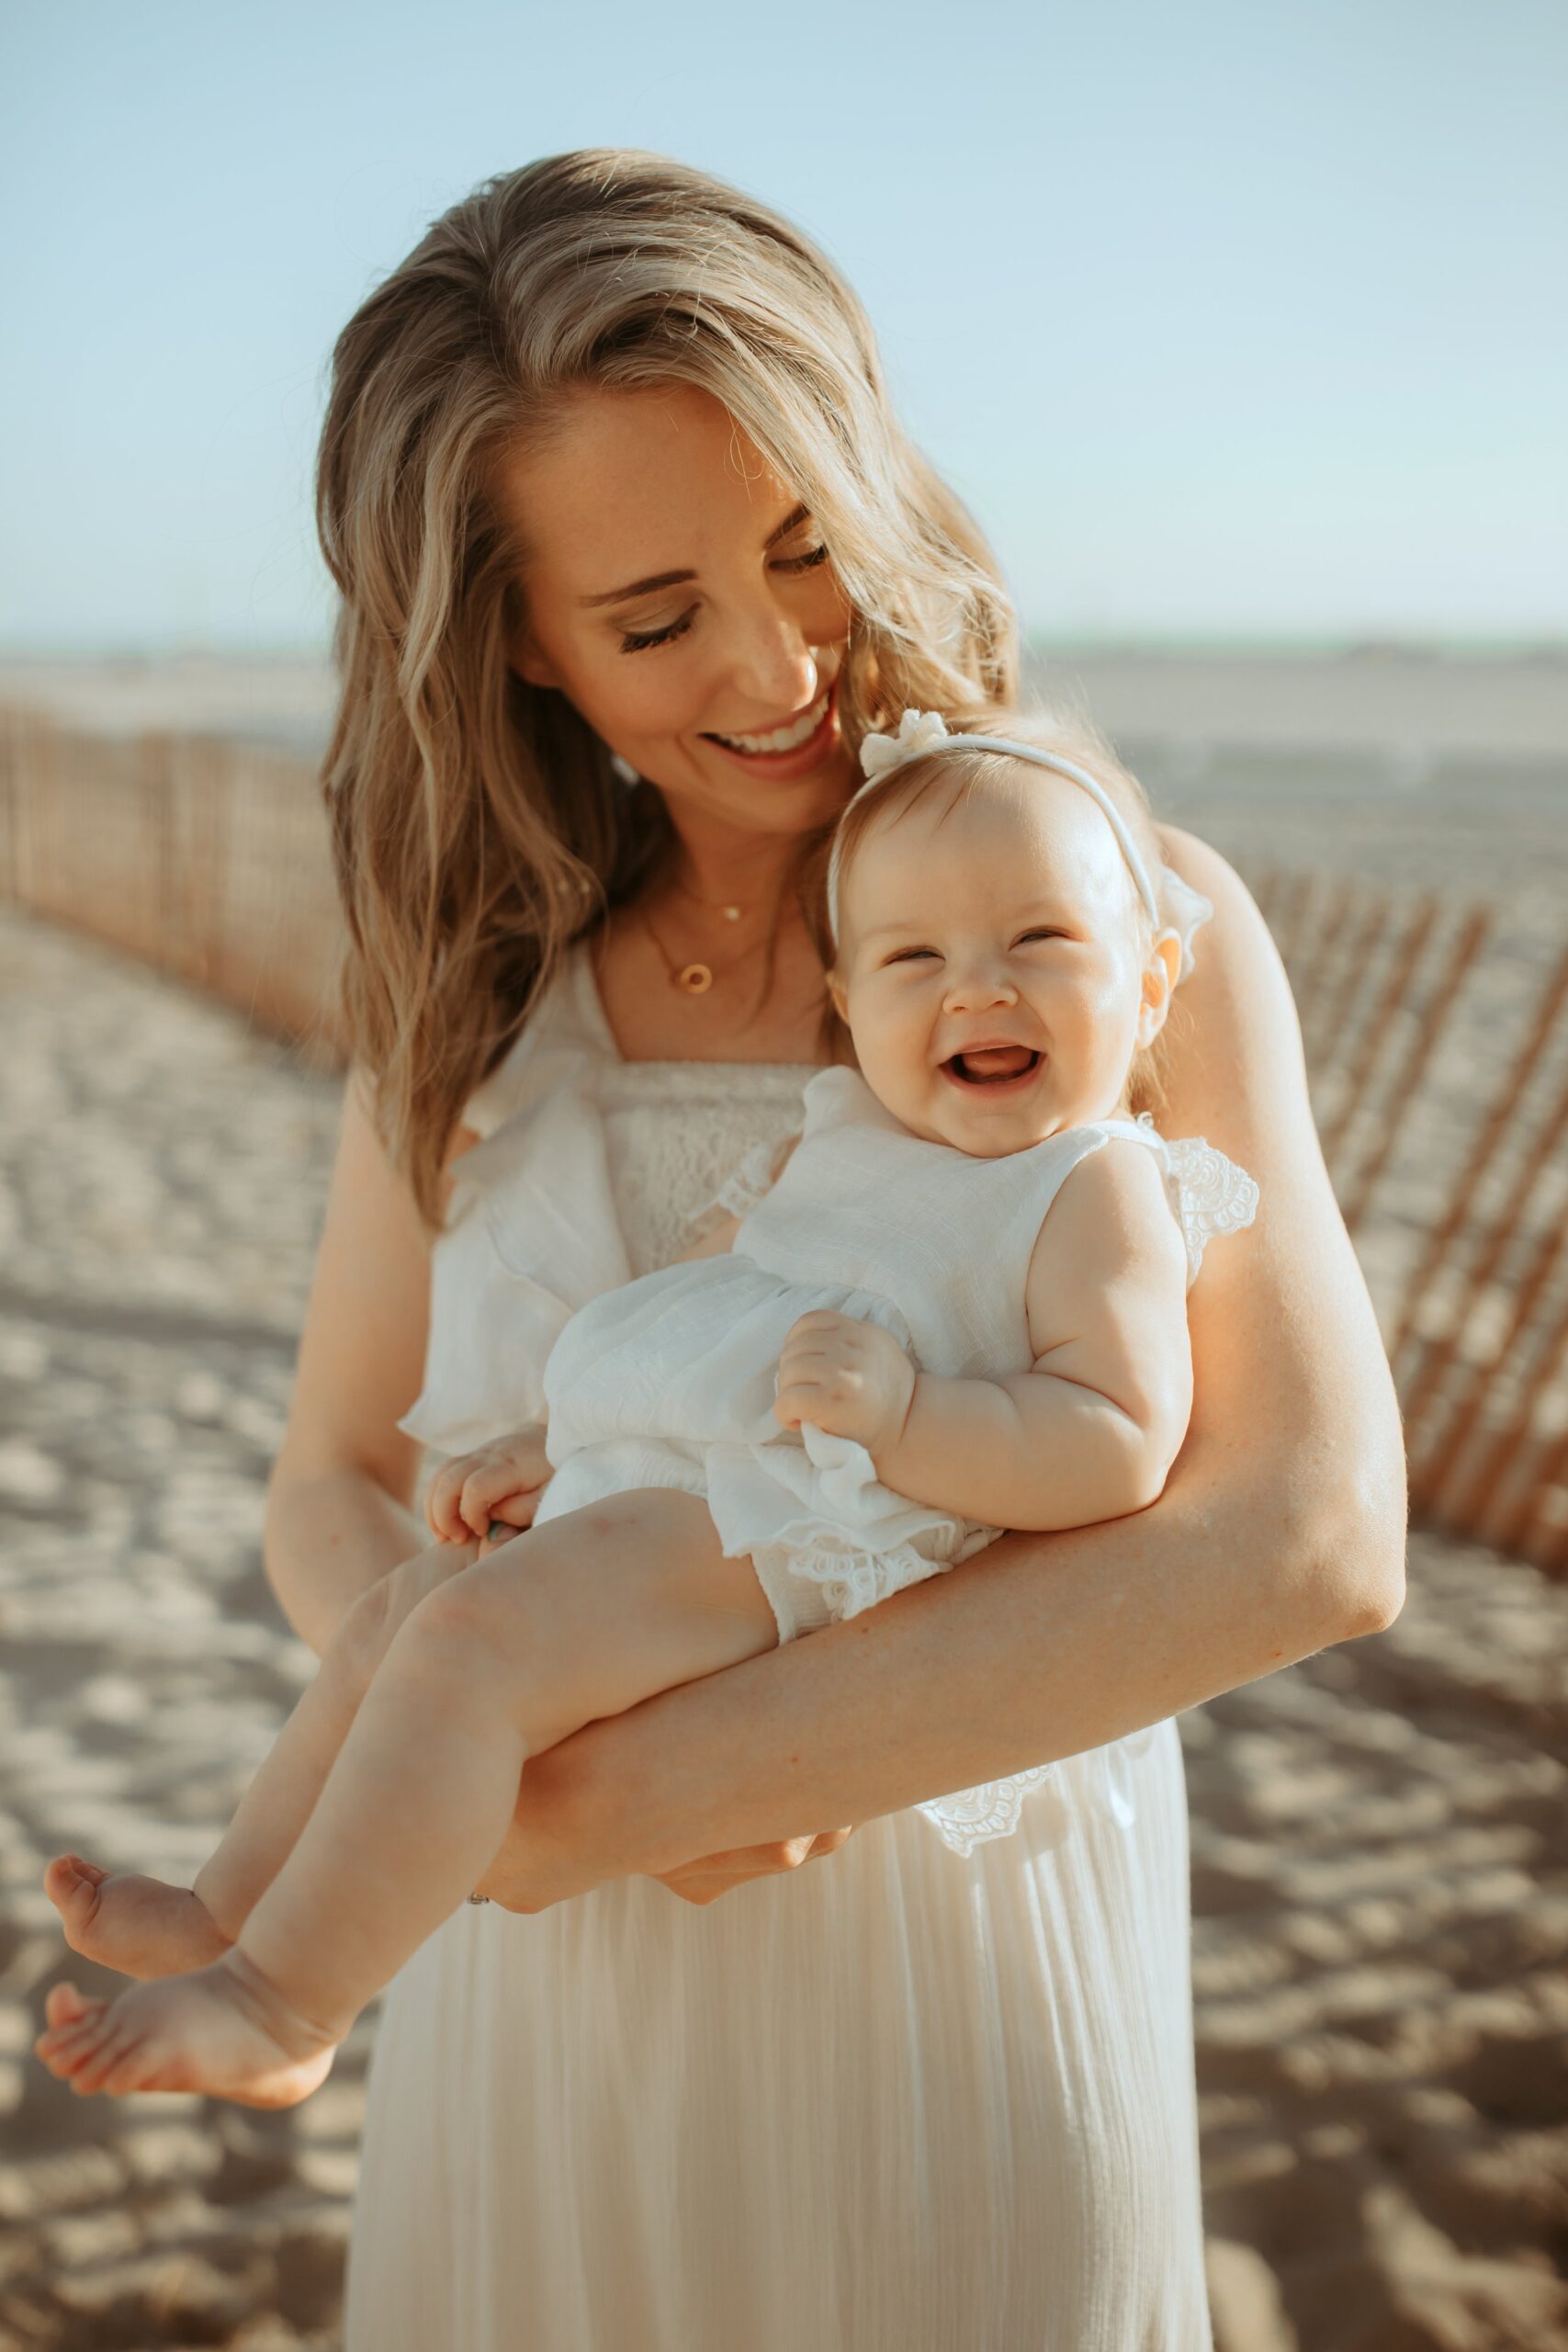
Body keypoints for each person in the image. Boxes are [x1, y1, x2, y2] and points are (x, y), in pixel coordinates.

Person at [45, 153, 1405, 2348]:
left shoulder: (1106, 929)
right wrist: (451, 1650)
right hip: (527, 1971)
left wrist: (656, 1786)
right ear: (514, 640)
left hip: (955, 1942)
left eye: (804, 546)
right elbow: (327, 1485)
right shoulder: (481, 992)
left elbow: (1310, 1534)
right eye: (658, 615)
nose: (778, 663)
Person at [37, 708, 1261, 2106]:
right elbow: (696, 1319)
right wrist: (557, 1444)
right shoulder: (854, 1135)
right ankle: (227, 1907)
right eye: (916, 958)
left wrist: (914, 1417)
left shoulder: (1093, 1185)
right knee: (400, 1618)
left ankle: (285, 2006)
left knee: (472, 1648)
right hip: (699, 1489)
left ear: (1153, 983)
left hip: (815, 1532)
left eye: (1040, 942)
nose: (978, 991)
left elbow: (1116, 1441)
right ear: (853, 1003)